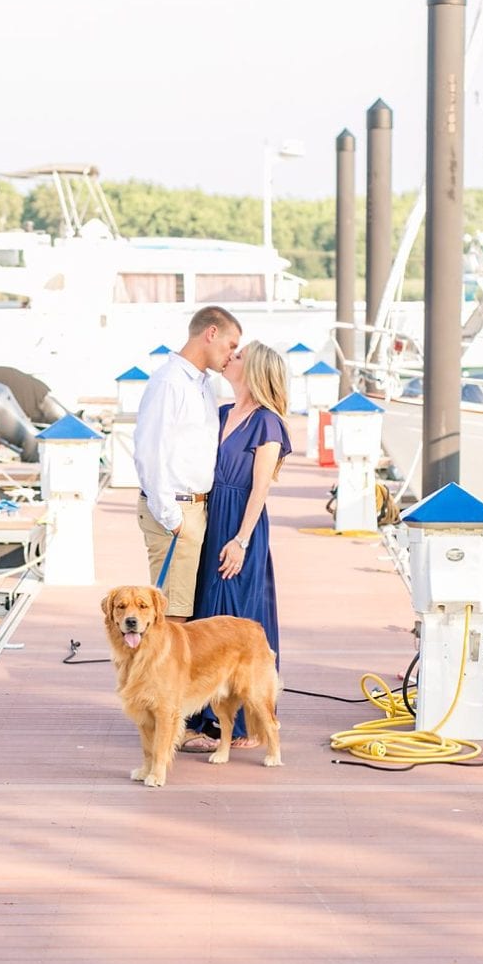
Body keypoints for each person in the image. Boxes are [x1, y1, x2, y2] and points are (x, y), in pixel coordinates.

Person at [181, 340, 291, 753]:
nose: (231, 358)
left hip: (240, 523)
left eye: (239, 355)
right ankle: (203, 714)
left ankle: (242, 724)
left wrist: (241, 540)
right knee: (207, 612)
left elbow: (260, 487)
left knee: (236, 612)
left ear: (255, 369)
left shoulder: (267, 423)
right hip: (211, 518)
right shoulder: (223, 412)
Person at [132, 305, 242, 627]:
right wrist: (173, 518)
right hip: (176, 511)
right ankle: (164, 680)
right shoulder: (170, 383)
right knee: (172, 616)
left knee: (186, 610)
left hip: (196, 510)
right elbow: (149, 452)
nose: (231, 355)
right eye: (231, 345)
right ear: (211, 334)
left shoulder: (204, 384)